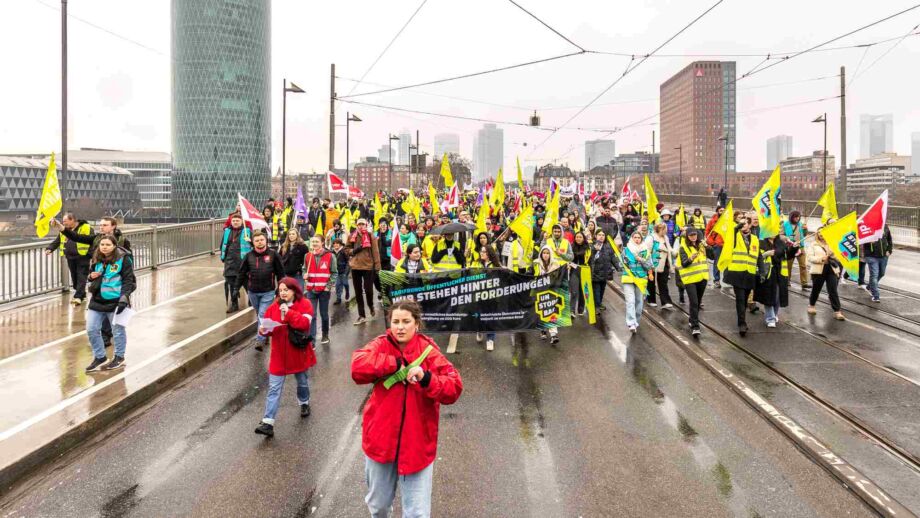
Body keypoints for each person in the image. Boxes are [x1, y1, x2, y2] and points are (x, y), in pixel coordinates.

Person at [351, 300, 463, 518]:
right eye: (395, 322)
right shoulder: (381, 344)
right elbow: (357, 366)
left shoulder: (429, 352)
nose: (400, 327)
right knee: (379, 506)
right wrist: (393, 364)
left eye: (405, 321)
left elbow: (454, 387)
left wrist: (426, 378)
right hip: (380, 442)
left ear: (416, 324)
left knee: (417, 514)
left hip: (417, 446)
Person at [254, 277, 316, 438]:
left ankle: (304, 403)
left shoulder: (305, 305)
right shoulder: (273, 307)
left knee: (302, 382)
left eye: (286, 290)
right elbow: (268, 328)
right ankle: (268, 422)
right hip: (279, 355)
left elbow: (304, 324)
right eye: (280, 290)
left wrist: (289, 313)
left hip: (297, 351)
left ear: (294, 290)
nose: (283, 293)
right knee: (274, 388)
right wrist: (263, 330)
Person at [84, 235, 136, 372]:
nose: (104, 247)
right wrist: (90, 276)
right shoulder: (96, 259)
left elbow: (128, 280)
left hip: (116, 301)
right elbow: (91, 275)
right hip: (97, 301)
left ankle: (119, 356)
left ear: (114, 246)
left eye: (108, 244)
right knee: (91, 329)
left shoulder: (123, 259)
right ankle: (100, 357)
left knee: (117, 331)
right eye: (102, 245)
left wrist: (124, 297)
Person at [236, 232, 285, 351]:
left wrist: (280, 289)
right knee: (260, 314)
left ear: (266, 240)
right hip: (252, 291)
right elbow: (241, 273)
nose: (259, 242)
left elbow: (281, 274)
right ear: (253, 242)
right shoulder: (248, 256)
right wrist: (235, 288)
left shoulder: (273, 255)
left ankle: (260, 339)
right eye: (257, 240)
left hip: (268, 291)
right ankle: (265, 331)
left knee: (263, 314)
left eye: (262, 240)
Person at [45, 213, 94, 305]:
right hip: (70, 257)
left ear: (72, 220)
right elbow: (58, 241)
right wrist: (50, 248)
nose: (64, 223)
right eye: (63, 221)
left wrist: (89, 254)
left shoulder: (86, 228)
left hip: (83, 257)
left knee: (81, 276)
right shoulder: (64, 230)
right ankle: (81, 293)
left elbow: (92, 241)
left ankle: (78, 296)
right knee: (74, 277)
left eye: (65, 221)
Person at [722, 218, 759, 336]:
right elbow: (730, 236)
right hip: (737, 274)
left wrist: (762, 271)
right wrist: (737, 227)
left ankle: (742, 319)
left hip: (749, 274)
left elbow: (759, 256)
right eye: (741, 223)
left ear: (749, 225)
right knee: (740, 299)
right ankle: (742, 323)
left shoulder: (755, 239)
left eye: (745, 223)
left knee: (745, 299)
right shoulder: (734, 236)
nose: (743, 225)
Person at [754, 235, 795, 328]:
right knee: (768, 295)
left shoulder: (780, 242)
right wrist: (766, 254)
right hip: (767, 273)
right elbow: (755, 257)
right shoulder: (761, 242)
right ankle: (770, 318)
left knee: (777, 296)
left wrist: (794, 248)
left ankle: (775, 314)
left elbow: (788, 255)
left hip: (780, 273)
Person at [346, 219, 381, 325]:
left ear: (366, 225)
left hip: (368, 266)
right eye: (359, 224)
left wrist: (377, 266)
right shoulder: (352, 236)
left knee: (369, 290)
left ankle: (371, 306)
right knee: (358, 292)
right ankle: (361, 315)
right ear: (356, 225)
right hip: (355, 266)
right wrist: (354, 250)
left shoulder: (371, 236)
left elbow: (375, 251)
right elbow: (347, 249)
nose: (361, 226)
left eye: (363, 224)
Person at [303, 236, 337, 345]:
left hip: (324, 291)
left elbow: (334, 273)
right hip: (311, 290)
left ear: (322, 243)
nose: (314, 243)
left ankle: (325, 334)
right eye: (312, 241)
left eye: (317, 241)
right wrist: (305, 274)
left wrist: (328, 286)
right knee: (311, 315)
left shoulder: (330, 256)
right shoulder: (307, 256)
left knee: (324, 314)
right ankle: (312, 339)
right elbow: (304, 269)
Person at [677, 228, 709, 337]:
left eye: (694, 234)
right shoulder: (683, 248)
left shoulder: (701, 245)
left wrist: (707, 246)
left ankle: (692, 319)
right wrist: (690, 259)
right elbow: (684, 263)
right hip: (690, 280)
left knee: (698, 302)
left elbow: (713, 256)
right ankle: (695, 326)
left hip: (702, 278)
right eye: (691, 235)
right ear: (687, 236)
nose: (693, 237)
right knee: (694, 302)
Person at [807, 232, 845, 320]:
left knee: (833, 290)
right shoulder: (813, 244)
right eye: (819, 232)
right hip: (818, 269)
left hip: (831, 269)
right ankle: (812, 305)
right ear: (817, 234)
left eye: (823, 232)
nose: (821, 234)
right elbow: (809, 258)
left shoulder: (832, 243)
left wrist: (835, 255)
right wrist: (820, 259)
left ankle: (837, 311)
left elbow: (839, 256)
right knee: (816, 289)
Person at [472, 246, 503, 351]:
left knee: (491, 317)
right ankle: (480, 330)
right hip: (479, 295)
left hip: (492, 296)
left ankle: (490, 339)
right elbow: (471, 275)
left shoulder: (496, 265)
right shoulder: (476, 263)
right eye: (481, 251)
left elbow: (502, 277)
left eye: (484, 252)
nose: (482, 253)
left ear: (489, 253)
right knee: (479, 315)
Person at [622, 230, 653, 333]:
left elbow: (649, 266)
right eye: (635, 237)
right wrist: (624, 263)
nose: (637, 239)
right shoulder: (626, 250)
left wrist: (641, 260)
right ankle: (631, 323)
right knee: (630, 301)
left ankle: (636, 321)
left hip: (641, 279)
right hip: (628, 279)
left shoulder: (646, 251)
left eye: (638, 237)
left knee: (639, 302)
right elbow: (620, 264)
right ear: (632, 238)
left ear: (641, 239)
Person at [220, 213, 252, 313]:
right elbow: (222, 245)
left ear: (241, 221)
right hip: (230, 262)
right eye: (233, 221)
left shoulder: (247, 231)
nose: (235, 222)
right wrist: (223, 257)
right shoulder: (227, 231)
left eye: (237, 221)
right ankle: (234, 304)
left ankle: (252, 302)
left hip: (243, 262)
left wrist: (250, 241)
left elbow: (254, 244)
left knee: (247, 284)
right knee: (231, 284)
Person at [534, 246, 562, 345]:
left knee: (552, 313)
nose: (545, 255)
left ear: (550, 254)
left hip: (552, 292)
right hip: (540, 292)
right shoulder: (535, 264)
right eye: (544, 253)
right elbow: (530, 275)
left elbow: (559, 277)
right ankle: (543, 330)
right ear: (541, 254)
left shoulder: (556, 264)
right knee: (542, 312)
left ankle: (554, 335)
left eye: (547, 253)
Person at [589, 229, 618, 314]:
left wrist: (619, 267)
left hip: (605, 272)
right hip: (595, 272)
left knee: (602, 289)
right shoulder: (591, 246)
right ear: (596, 236)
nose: (601, 237)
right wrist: (594, 250)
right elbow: (589, 258)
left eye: (603, 235)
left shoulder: (608, 246)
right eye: (599, 235)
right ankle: (596, 306)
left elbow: (613, 258)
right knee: (596, 290)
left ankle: (599, 303)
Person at [863, 224, 893, 303]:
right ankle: (876, 296)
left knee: (882, 273)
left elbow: (890, 240)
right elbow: (860, 239)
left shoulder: (885, 226)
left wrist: (889, 250)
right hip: (871, 256)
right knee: (874, 275)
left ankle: (870, 286)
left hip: (883, 256)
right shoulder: (867, 225)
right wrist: (868, 241)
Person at [648, 222, 675, 310]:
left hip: (664, 264)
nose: (665, 231)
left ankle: (666, 302)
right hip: (654, 264)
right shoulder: (651, 238)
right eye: (664, 229)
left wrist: (674, 252)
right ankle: (651, 300)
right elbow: (647, 251)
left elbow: (669, 248)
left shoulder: (665, 237)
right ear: (659, 229)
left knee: (663, 282)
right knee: (651, 283)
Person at [782, 211, 810, 289]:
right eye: (795, 217)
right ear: (791, 217)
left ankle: (804, 282)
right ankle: (787, 281)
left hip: (800, 247)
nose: (797, 218)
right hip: (790, 248)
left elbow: (804, 235)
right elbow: (781, 235)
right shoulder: (785, 224)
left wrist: (805, 230)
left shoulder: (800, 224)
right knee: (788, 265)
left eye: (798, 217)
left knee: (803, 265)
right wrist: (787, 239)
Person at [569, 231, 590, 317]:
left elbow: (591, 261)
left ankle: (580, 309)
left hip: (584, 271)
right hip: (574, 271)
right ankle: (572, 310)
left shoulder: (588, 248)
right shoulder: (571, 247)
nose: (578, 238)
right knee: (574, 291)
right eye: (577, 237)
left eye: (580, 237)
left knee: (583, 292)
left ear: (583, 238)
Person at [705, 206, 726, 288]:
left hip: (726, 245)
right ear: (717, 211)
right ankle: (716, 280)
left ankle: (728, 279)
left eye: (724, 210)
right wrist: (712, 243)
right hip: (717, 245)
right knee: (717, 263)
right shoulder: (712, 221)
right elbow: (707, 232)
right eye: (721, 210)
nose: (722, 212)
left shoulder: (728, 221)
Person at [331, 239, 351, 304]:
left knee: (345, 283)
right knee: (337, 285)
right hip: (336, 272)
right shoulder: (332, 252)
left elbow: (348, 262)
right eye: (334, 243)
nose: (335, 245)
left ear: (340, 244)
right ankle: (338, 299)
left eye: (337, 243)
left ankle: (347, 291)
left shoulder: (343, 251)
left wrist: (346, 272)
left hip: (344, 271)